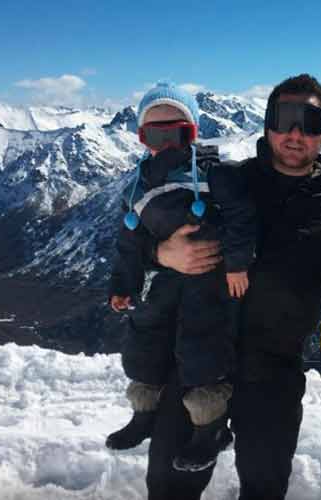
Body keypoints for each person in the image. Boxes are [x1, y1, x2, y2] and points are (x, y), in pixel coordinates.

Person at [145, 74, 321, 500]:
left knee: (264, 488)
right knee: (168, 486)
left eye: (310, 121)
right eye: (284, 118)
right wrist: (160, 253)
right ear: (267, 124)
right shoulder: (226, 181)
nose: (295, 133)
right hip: (198, 361)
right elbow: (137, 229)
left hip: (274, 373)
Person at [106, 82, 256, 474]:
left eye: (179, 133)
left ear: (194, 132)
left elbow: (242, 219)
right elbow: (129, 240)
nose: (166, 143)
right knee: (144, 336)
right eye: (154, 134)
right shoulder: (139, 186)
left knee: (201, 346)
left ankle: (211, 429)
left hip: (210, 282)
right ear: (142, 138)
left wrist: (238, 264)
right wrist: (124, 284)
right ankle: (145, 412)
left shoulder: (214, 174)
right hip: (166, 281)